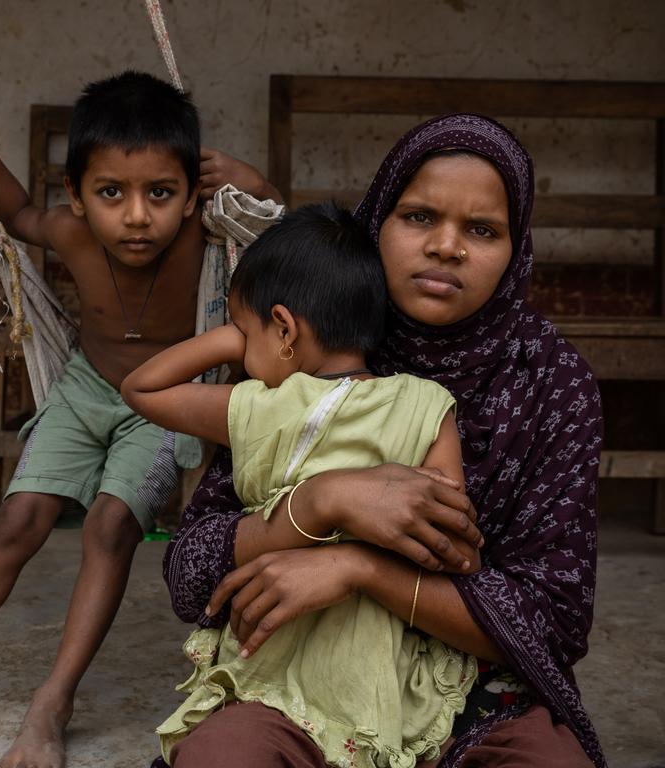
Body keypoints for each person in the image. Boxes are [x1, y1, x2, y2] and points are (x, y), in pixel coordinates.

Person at [155, 114, 604, 767]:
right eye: (419, 217)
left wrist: (358, 569)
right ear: (376, 224)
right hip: (300, 684)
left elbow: (551, 621)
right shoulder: (301, 349)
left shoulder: (554, 386)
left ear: (517, 251)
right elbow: (190, 574)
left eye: (482, 230)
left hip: (478, 698)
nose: (447, 247)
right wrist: (321, 503)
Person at [0, 70, 277, 768]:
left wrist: (254, 182)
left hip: (166, 400)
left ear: (193, 195)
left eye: (160, 193)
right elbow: (17, 212)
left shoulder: (210, 236)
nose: (137, 216)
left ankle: (53, 701)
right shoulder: (70, 233)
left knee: (111, 529)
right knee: (16, 523)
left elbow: (279, 228)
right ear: (79, 197)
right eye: (111, 193)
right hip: (81, 388)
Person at [122, 201, 479, 767]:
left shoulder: (264, 408)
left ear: (284, 328)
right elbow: (453, 541)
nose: (241, 352)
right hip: (382, 664)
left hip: (275, 650)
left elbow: (142, 389)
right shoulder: (427, 404)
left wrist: (230, 340)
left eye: (246, 329)